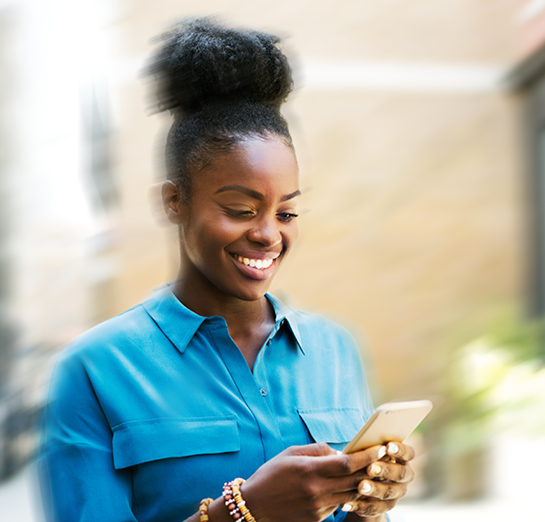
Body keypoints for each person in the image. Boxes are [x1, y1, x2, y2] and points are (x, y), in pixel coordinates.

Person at [38, 17, 416, 522]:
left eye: (286, 212)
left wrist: (370, 503)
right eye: (241, 209)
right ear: (175, 201)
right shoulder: (94, 370)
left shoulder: (336, 350)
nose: (268, 234)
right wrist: (243, 512)